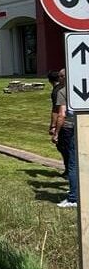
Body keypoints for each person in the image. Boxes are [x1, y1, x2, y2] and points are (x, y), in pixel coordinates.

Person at [53, 69, 77, 208]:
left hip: (73, 128)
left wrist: (56, 132)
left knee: (73, 164)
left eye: (61, 76)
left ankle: (73, 197)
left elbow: (61, 115)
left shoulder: (63, 92)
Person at [47, 70, 68, 177]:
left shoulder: (57, 91)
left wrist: (53, 126)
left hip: (64, 125)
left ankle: (69, 170)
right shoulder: (64, 89)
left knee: (63, 147)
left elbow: (57, 111)